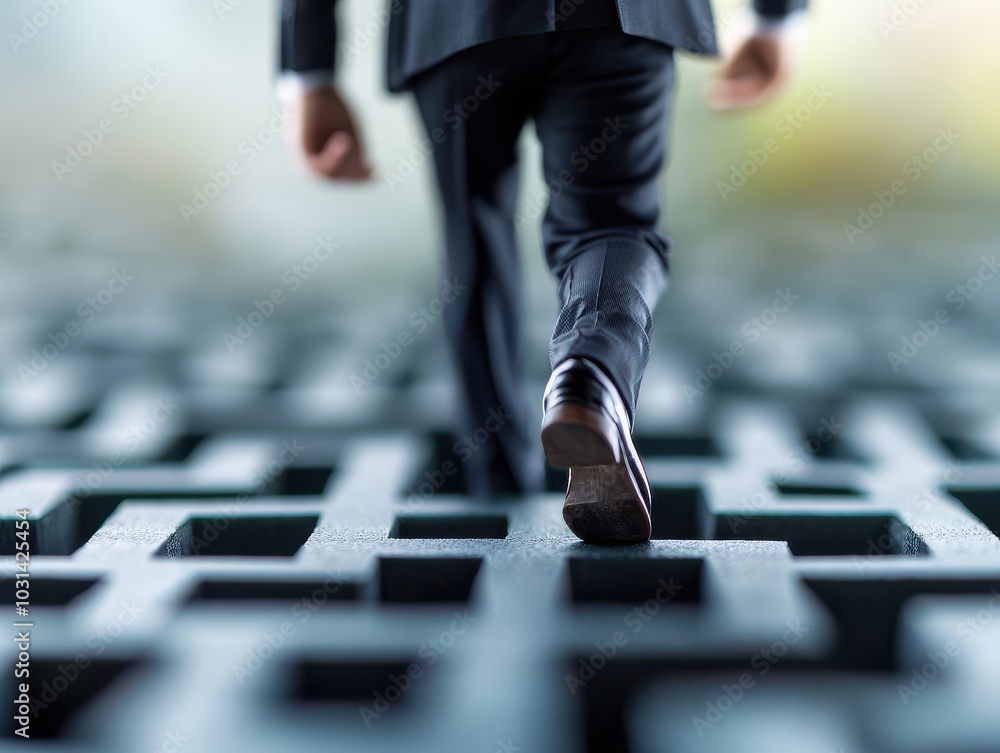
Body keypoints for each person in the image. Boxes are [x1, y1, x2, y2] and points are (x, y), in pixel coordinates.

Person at [278, 0, 806, 542]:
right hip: (616, 18)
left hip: (454, 25)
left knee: (473, 252)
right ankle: (590, 370)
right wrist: (773, 18)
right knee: (612, 223)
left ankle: (500, 491)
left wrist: (310, 72)